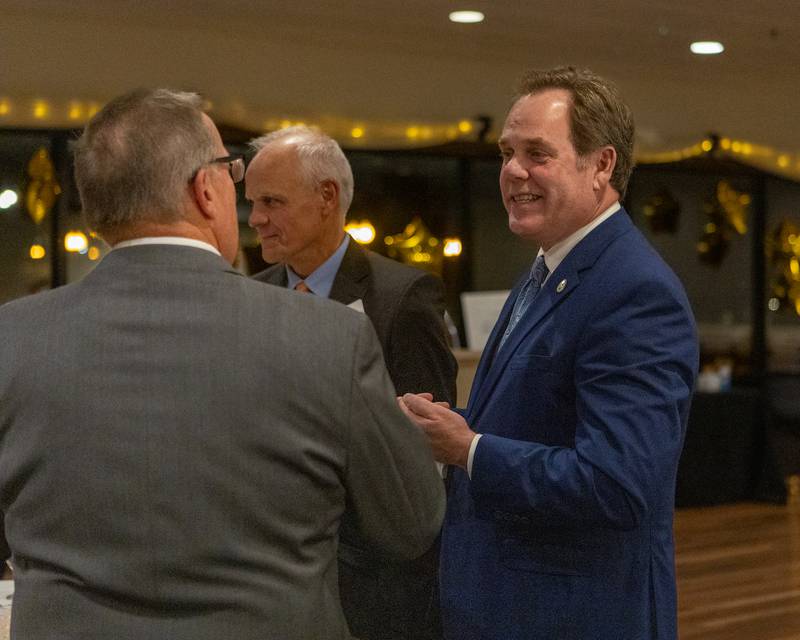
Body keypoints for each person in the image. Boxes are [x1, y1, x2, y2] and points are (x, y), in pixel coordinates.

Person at [0, 89, 445, 640]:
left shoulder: (11, 340)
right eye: (232, 176)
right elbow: (410, 523)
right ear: (204, 190)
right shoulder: (328, 336)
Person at [399, 66, 699, 640]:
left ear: (602, 165)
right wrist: (446, 427)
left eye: (537, 153)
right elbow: (541, 423)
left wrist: (470, 449)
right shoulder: (546, 268)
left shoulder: (634, 291)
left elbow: (618, 484)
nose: (513, 171)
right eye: (507, 152)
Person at [245, 126, 457, 640]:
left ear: (327, 198)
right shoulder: (250, 298)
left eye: (271, 201)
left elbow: (425, 461)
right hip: (269, 575)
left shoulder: (402, 297)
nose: (256, 220)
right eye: (252, 203)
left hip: (372, 582)